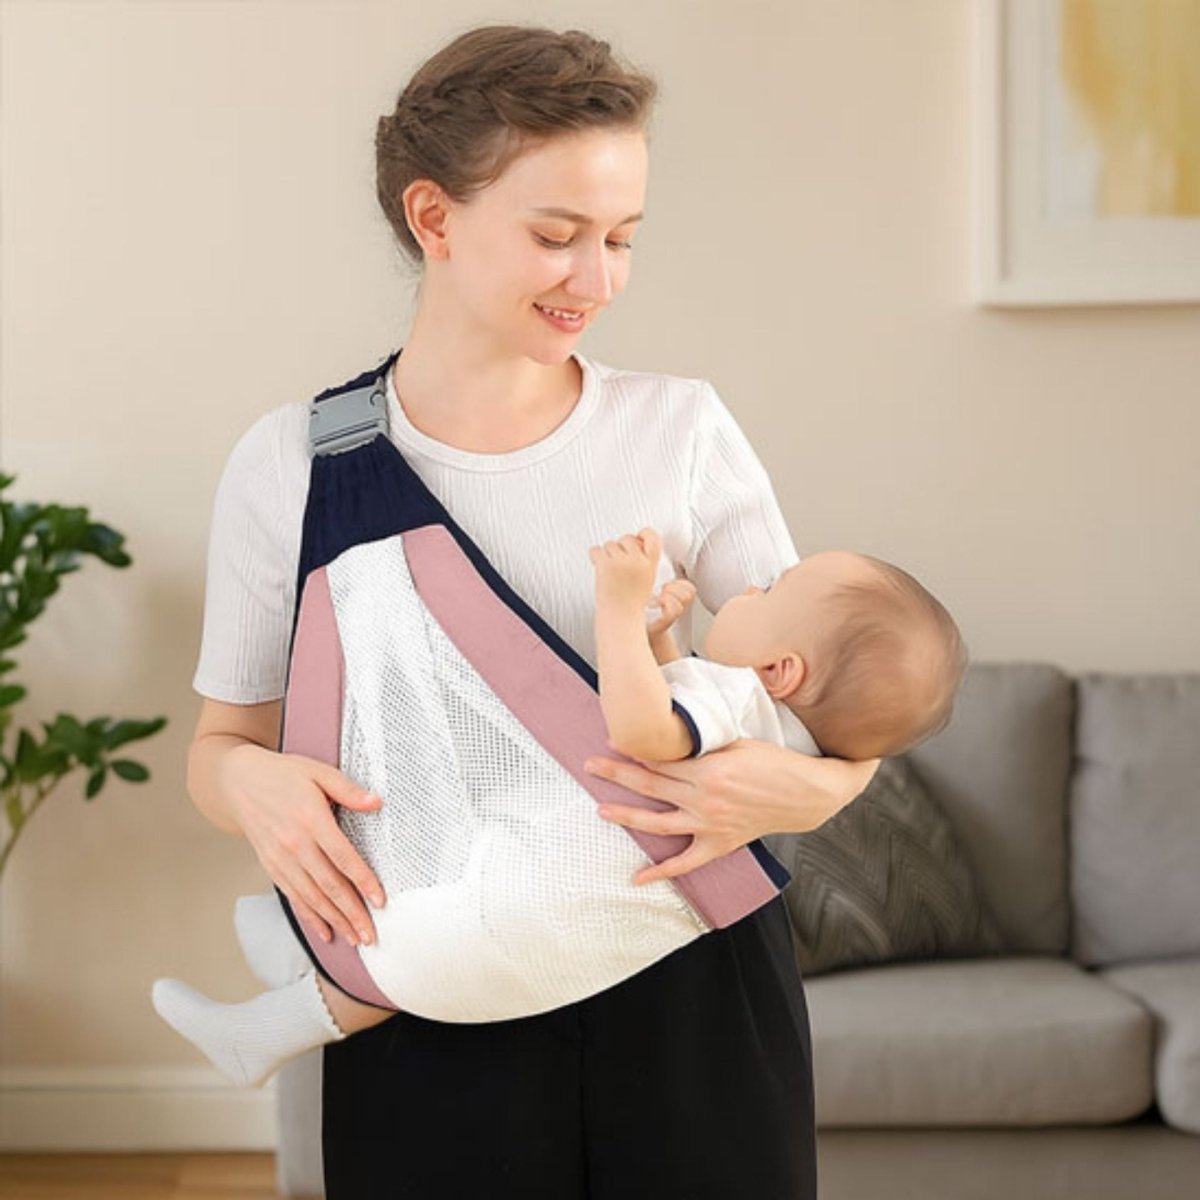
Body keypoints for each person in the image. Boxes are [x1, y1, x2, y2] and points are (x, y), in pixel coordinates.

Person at [184, 24, 883, 1199]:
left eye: (621, 239)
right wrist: (249, 787)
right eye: (557, 237)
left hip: (685, 967)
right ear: (434, 219)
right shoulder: (295, 465)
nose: (596, 280)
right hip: (435, 984)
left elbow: (824, 712)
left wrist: (822, 788)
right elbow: (221, 749)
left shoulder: (680, 429)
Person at [157, 529, 965, 1088]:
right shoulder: (777, 735)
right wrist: (658, 641)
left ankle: (270, 1013)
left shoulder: (738, 696)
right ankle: (290, 954)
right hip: (542, 936)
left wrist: (616, 606)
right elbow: (673, 718)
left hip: (502, 907)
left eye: (774, 588)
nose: (751, 585)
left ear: (782, 669)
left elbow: (644, 728)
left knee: (393, 923)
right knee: (405, 951)